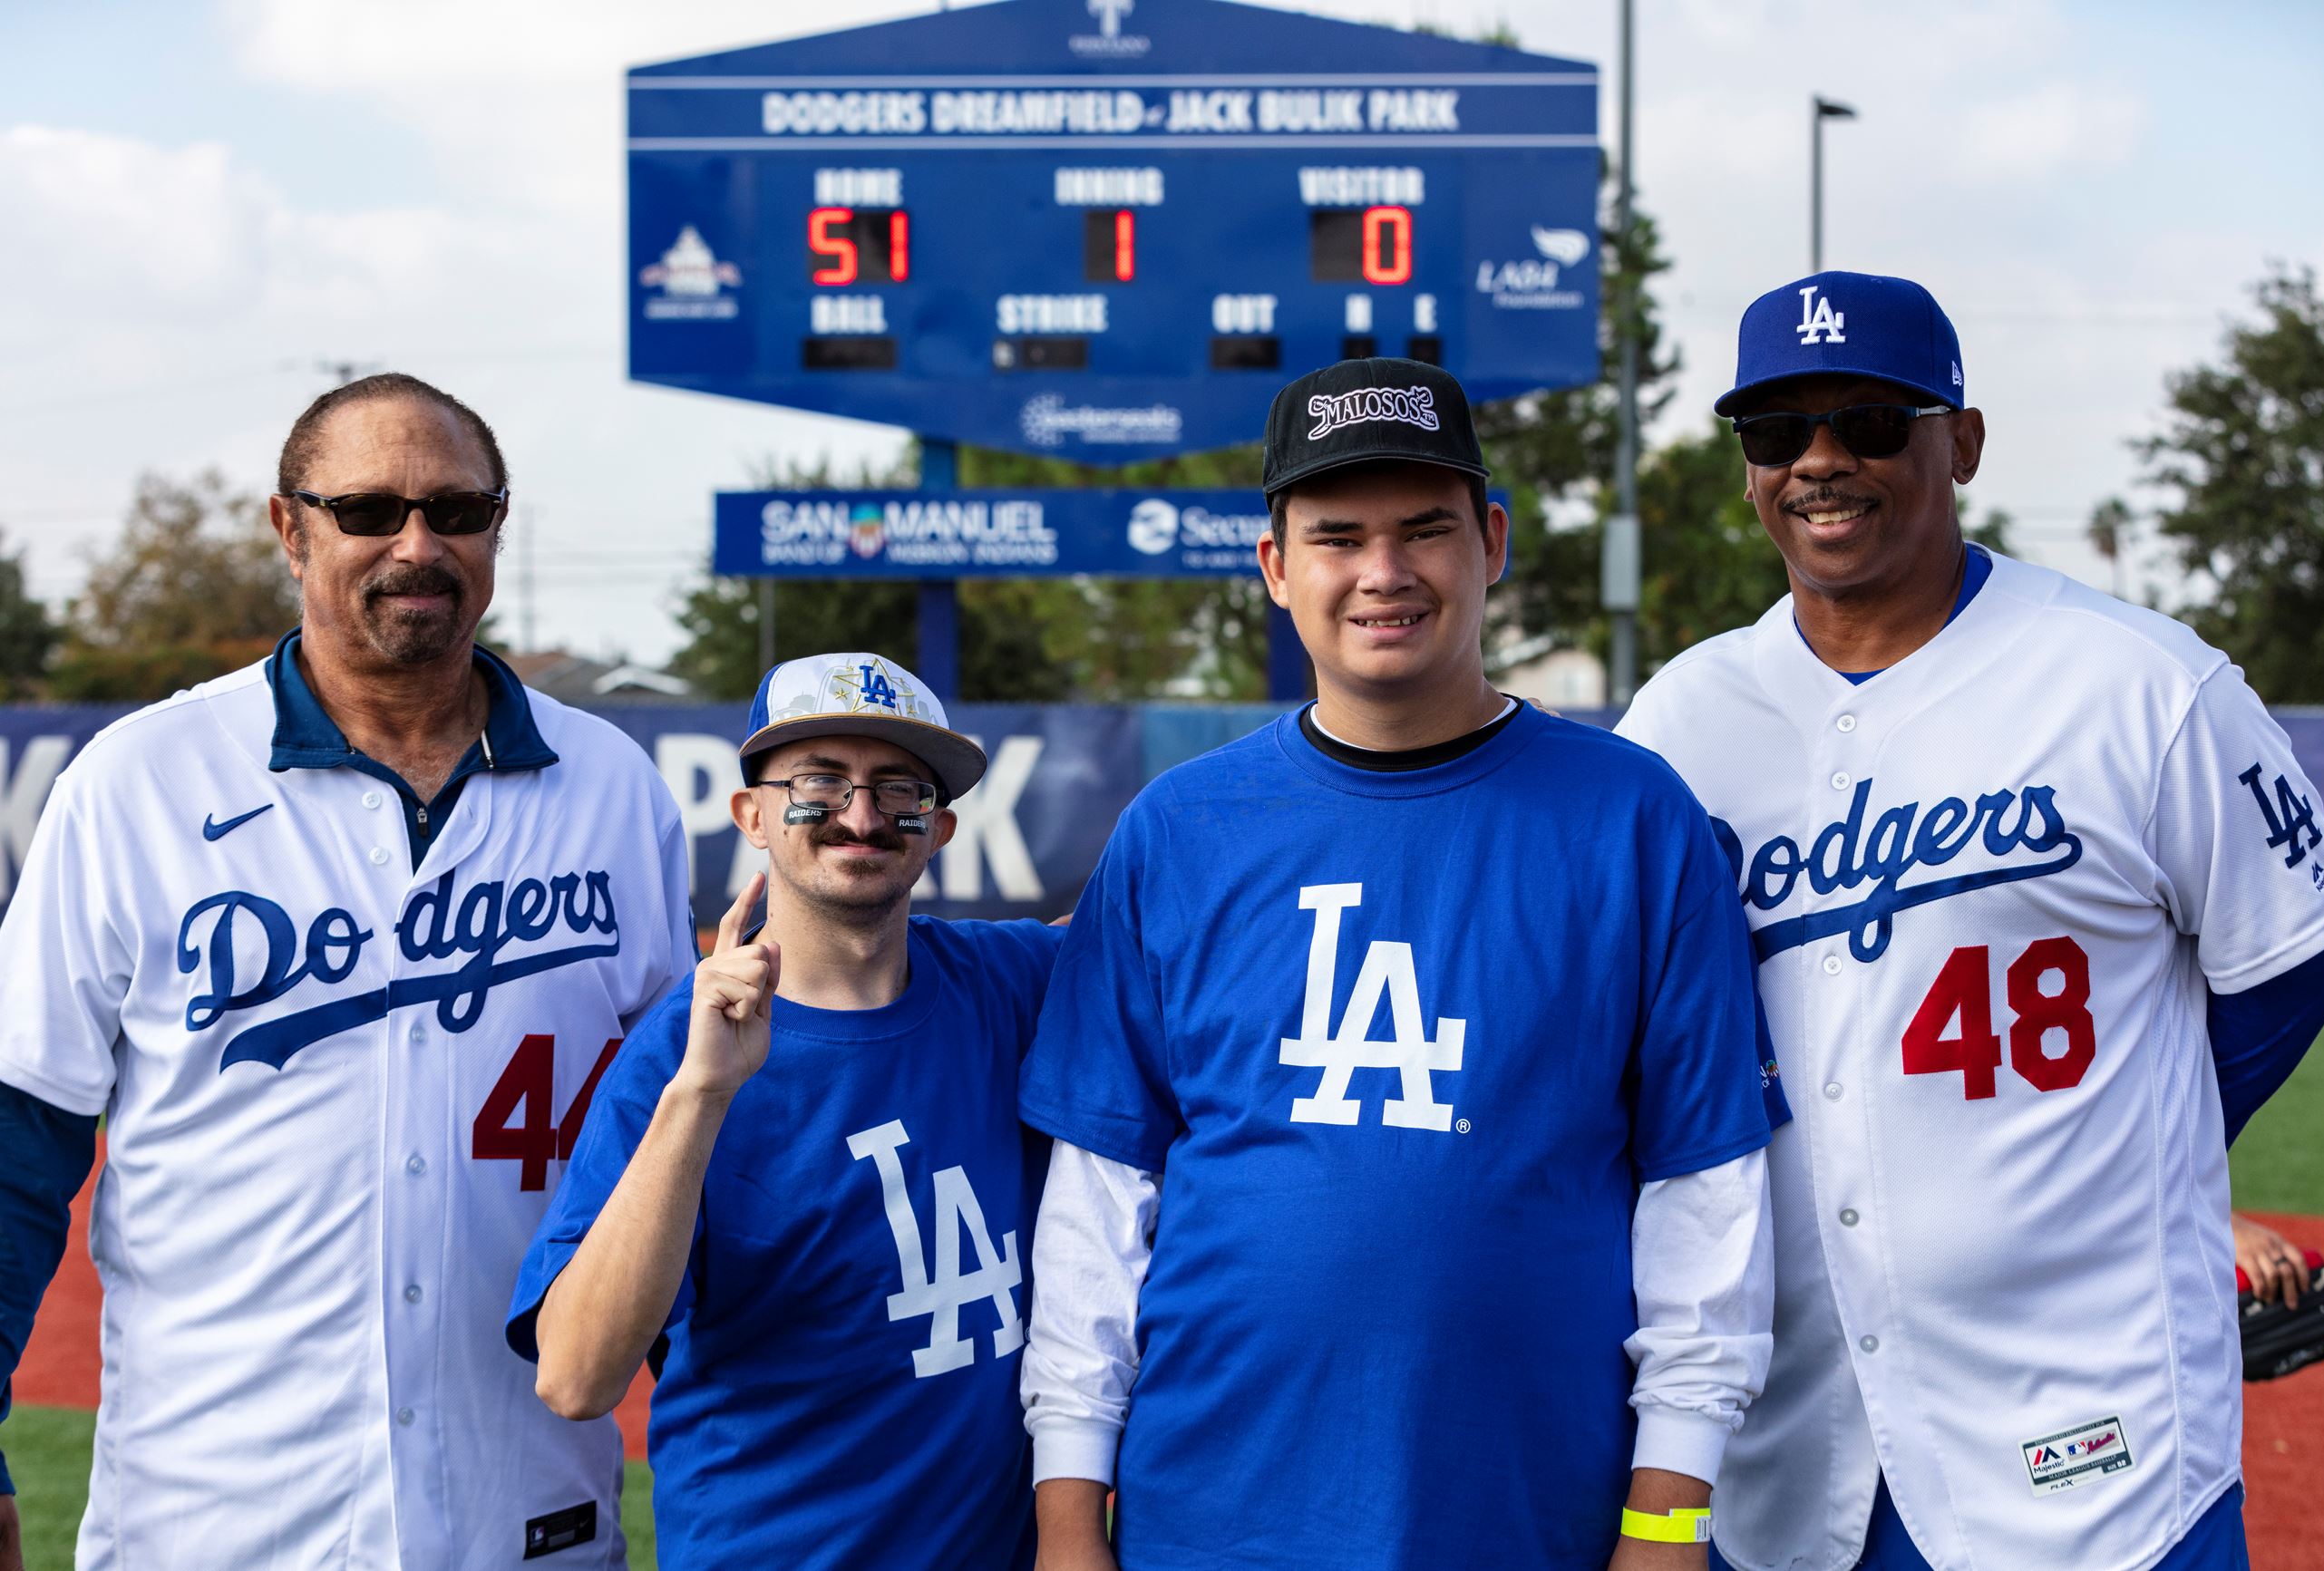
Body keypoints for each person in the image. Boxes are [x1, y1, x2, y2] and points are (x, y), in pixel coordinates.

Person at [1615, 270, 2324, 1571]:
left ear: (1959, 439)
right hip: (1792, 1443)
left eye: (1872, 421)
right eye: (1778, 432)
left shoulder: (2140, 683)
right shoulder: (1681, 722)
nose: (1822, 461)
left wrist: (2133, 1159)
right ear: (1747, 470)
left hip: (2099, 1448)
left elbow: (2293, 956)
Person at [1020, 359, 1786, 1570]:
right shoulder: (1177, 831)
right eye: (1337, 536)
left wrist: (1666, 1517)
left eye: (1425, 528)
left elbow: (1709, 1202)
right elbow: (1101, 1212)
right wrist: (1069, 1517)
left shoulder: (1634, 819)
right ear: (1276, 567)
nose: (1385, 573)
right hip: (1213, 1517)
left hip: (1534, 1513)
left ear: (1490, 541)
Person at [0, 373, 697, 1570]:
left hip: (529, 1508)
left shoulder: (613, 790)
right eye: (369, 509)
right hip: (212, 1516)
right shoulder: (141, 782)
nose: (417, 544)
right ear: (291, 527)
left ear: (497, 526)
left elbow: (679, 1157)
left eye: (458, 510)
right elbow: (19, 1138)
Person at [510, 653, 1062, 1571]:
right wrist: (702, 1093)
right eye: (818, 784)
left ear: (943, 827)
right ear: (751, 815)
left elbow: (1178, 928)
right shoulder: (676, 1056)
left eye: (900, 790)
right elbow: (574, 1375)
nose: (860, 815)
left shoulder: (1011, 980)